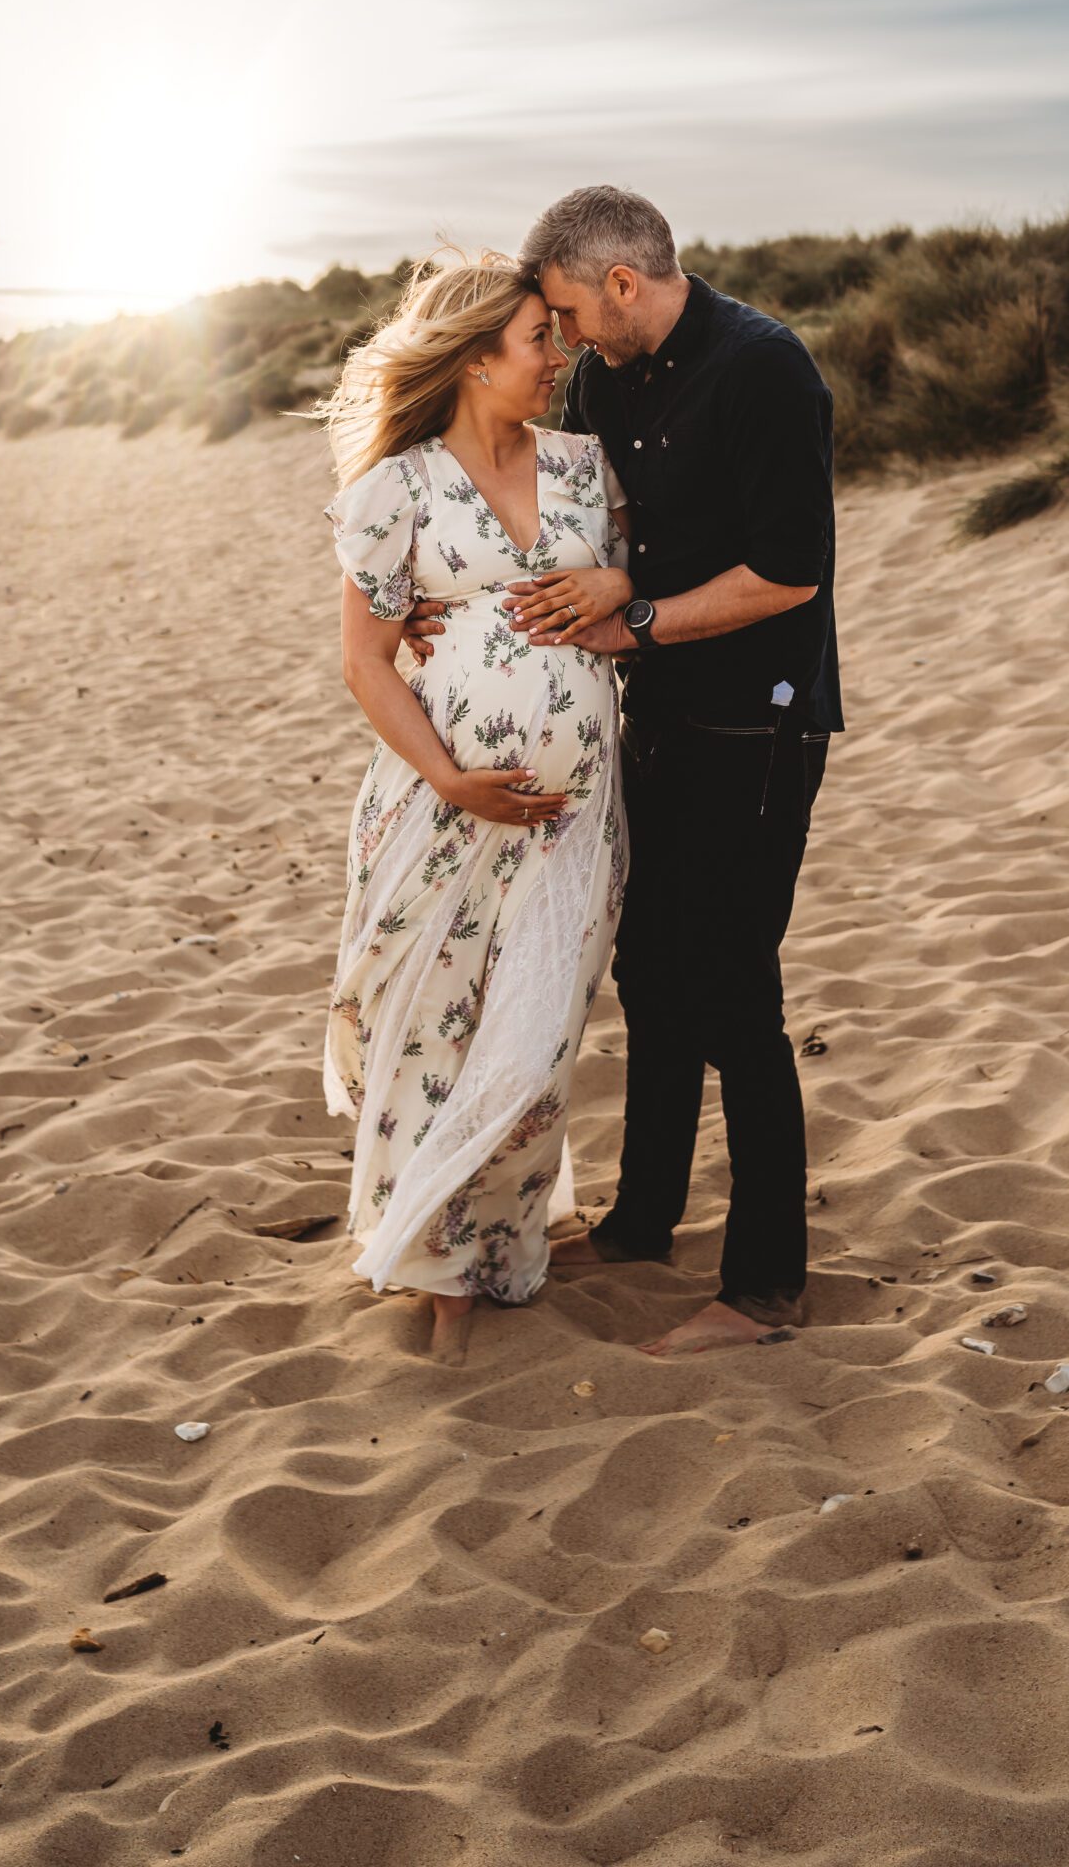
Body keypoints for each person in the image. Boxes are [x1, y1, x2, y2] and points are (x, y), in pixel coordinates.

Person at [501, 186, 843, 1357]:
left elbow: (786, 574)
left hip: (763, 726)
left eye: (569, 313)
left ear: (623, 286)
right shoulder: (606, 378)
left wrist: (634, 615)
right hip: (661, 717)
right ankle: (646, 1223)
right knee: (648, 968)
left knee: (734, 990)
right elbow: (621, 527)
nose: (564, 341)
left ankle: (763, 1289)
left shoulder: (765, 369)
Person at [317, 253, 632, 1362]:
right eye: (539, 338)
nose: (561, 356)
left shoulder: (587, 467)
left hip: (570, 815)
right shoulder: (395, 491)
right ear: (472, 357)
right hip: (439, 810)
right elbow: (365, 663)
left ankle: (498, 1242)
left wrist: (617, 584)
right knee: (433, 1042)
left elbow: (638, 575)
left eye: (558, 332)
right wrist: (452, 776)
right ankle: (451, 1277)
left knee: (536, 1044)